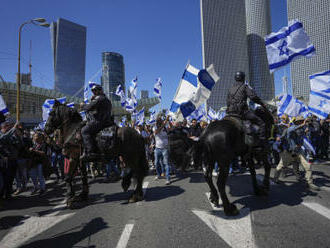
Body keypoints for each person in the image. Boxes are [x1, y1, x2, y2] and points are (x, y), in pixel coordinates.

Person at [226, 71, 268, 147]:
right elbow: (253, 97)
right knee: (261, 123)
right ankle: (261, 143)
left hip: (230, 113)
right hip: (242, 113)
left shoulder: (230, 88)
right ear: (243, 78)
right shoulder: (245, 86)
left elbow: (228, 101)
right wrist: (262, 103)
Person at [80, 85, 114, 161]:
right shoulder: (107, 100)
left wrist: (83, 105)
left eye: (95, 91)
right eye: (93, 91)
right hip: (107, 122)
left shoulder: (99, 98)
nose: (94, 93)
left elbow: (88, 108)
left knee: (84, 131)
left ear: (100, 91)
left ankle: (90, 152)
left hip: (99, 122)